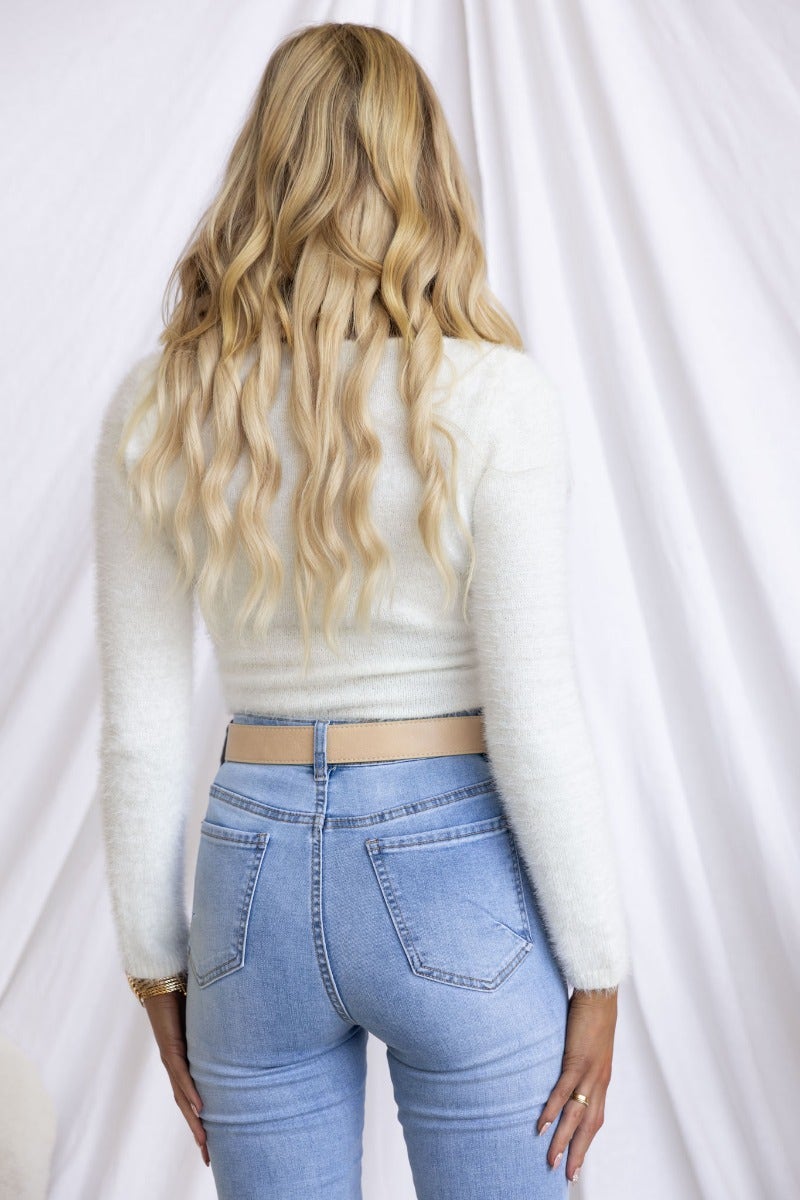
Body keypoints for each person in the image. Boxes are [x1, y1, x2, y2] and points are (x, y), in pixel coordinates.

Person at [92, 20, 631, 1200]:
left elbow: (138, 730)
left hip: (248, 879)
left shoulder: (159, 407)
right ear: (424, 172)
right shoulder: (494, 398)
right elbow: (533, 714)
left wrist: (154, 972)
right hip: (453, 863)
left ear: (260, 170)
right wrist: (596, 970)